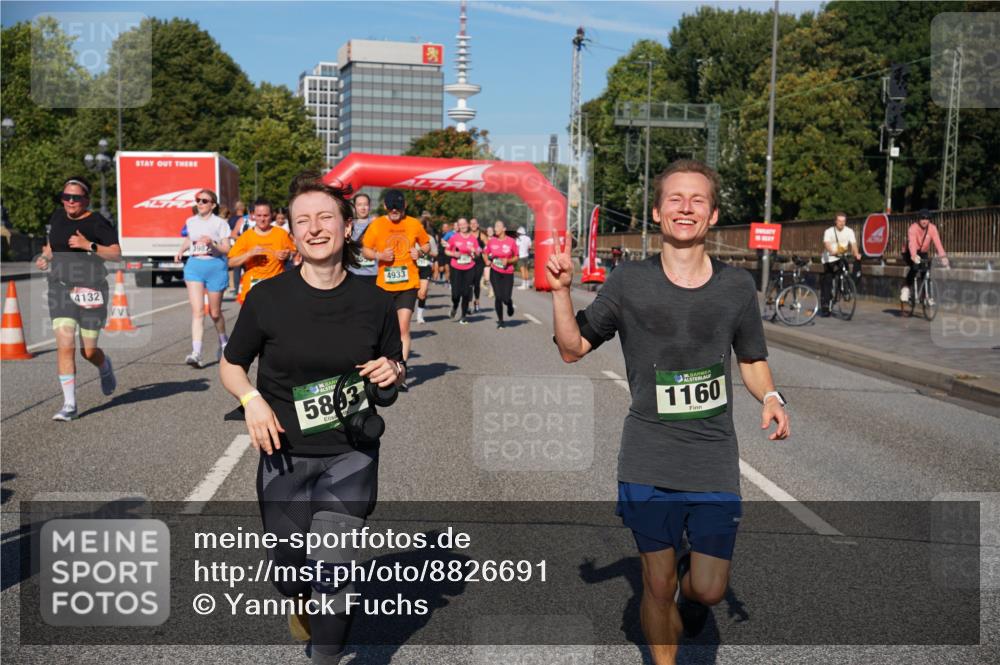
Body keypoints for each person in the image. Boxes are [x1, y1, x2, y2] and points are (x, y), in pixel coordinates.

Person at [546, 159, 789, 665]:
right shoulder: (629, 282)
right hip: (648, 455)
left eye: (697, 199)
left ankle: (693, 588)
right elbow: (572, 348)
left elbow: (752, 359)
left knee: (708, 589)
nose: (685, 207)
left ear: (713, 216)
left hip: (711, 456)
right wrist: (562, 293)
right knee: (655, 585)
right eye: (675, 199)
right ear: (658, 214)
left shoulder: (736, 287)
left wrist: (771, 397)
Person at [220, 172, 405, 665]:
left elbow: (394, 365)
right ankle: (304, 604)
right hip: (283, 453)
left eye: (326, 217)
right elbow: (232, 363)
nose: (315, 228)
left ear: (348, 228)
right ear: (293, 233)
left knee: (334, 564)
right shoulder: (268, 299)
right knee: (289, 569)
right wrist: (251, 400)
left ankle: (325, 655)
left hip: (350, 454)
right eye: (303, 220)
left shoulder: (376, 301)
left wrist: (393, 370)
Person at [35, 177, 120, 421]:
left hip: (91, 290)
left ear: (86, 200)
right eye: (66, 197)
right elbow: (52, 246)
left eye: (76, 197)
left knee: (89, 351)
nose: (71, 201)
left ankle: (104, 366)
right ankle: (69, 405)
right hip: (60, 288)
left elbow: (115, 254)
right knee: (65, 345)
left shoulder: (97, 222)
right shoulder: (58, 217)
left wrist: (88, 244)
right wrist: (46, 258)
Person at [361, 189, 430, 366]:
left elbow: (427, 244)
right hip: (384, 285)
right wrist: (379, 256)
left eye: (397, 208)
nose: (394, 211)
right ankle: (383, 362)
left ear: (404, 206)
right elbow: (365, 250)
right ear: (385, 206)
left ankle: (401, 368)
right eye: (391, 208)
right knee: (382, 329)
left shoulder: (414, 224)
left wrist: (420, 251)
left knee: (402, 327)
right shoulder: (376, 225)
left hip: (408, 285)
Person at [174, 188, 232, 367]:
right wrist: (181, 251)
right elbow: (190, 239)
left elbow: (227, 249)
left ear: (213, 205)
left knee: (214, 313)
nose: (200, 203)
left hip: (215, 266)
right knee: (198, 311)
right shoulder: (190, 221)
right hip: (195, 266)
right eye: (198, 200)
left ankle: (224, 343)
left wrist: (212, 244)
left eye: (204, 201)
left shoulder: (220, 223)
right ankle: (196, 353)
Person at [228, 198, 296, 304]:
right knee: (253, 320)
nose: (262, 219)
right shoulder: (246, 236)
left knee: (275, 319)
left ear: (272, 215)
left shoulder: (281, 234)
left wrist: (287, 255)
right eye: (259, 215)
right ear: (253, 215)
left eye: (265, 215)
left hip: (276, 283)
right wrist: (249, 253)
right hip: (252, 285)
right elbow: (231, 262)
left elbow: (294, 252)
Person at [900, 208, 949, 304]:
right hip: (909, 251)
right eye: (922, 218)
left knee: (926, 271)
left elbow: (938, 243)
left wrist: (943, 257)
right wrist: (913, 255)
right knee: (915, 267)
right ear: (918, 219)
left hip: (923, 252)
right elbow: (912, 243)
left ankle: (926, 296)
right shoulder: (913, 228)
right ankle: (906, 288)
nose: (924, 221)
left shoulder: (932, 228)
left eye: (927, 219)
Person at [819, 212, 862, 316]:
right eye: (839, 221)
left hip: (842, 256)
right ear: (835, 221)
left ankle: (844, 288)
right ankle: (825, 304)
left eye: (844, 221)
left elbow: (854, 244)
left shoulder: (849, 231)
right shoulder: (829, 231)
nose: (841, 223)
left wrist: (856, 254)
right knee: (828, 279)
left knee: (845, 270)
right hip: (829, 258)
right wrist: (831, 251)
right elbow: (827, 243)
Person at [445, 217, 481, 325]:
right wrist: (453, 254)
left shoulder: (473, 239)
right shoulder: (454, 238)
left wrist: (476, 252)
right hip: (456, 268)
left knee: (466, 293)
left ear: (467, 224)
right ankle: (455, 306)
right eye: (460, 224)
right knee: (455, 294)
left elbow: (478, 253)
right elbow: (446, 250)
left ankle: (464, 316)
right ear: (458, 227)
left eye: (464, 224)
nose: (463, 226)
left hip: (469, 268)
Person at [485, 220, 517, 328]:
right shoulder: (492, 241)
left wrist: (508, 261)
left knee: (506, 298)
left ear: (504, 229)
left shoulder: (511, 241)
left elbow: (516, 257)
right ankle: (501, 321)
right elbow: (486, 252)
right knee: (498, 297)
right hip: (495, 271)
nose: (495, 228)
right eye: (495, 226)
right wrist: (487, 260)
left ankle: (509, 304)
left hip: (508, 272)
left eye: (498, 226)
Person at [347, 193, 378, 285]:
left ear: (369, 206)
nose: (363, 208)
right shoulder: (348, 224)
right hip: (353, 273)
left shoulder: (377, 224)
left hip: (374, 273)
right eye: (359, 205)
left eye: (365, 204)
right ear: (354, 207)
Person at [415, 214, 438, 324]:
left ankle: (419, 316)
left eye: (421, 226)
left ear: (424, 227)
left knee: (422, 293)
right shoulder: (410, 237)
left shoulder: (430, 238)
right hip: (412, 267)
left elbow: (436, 253)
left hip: (425, 266)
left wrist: (428, 252)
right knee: (412, 293)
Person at [228, 201, 251, 297]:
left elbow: (230, 233)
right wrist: (243, 239)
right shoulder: (244, 219)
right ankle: (242, 289)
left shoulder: (231, 219)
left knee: (237, 270)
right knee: (244, 269)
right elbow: (233, 233)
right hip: (241, 248)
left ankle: (236, 289)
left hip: (235, 247)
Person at [470, 218, 488, 313]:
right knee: (468, 283)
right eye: (471, 223)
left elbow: (488, 247)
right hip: (468, 262)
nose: (473, 225)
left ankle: (476, 302)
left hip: (479, 263)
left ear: (478, 225)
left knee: (476, 283)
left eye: (474, 223)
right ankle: (467, 303)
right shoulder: (467, 236)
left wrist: (481, 251)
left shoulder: (482, 236)